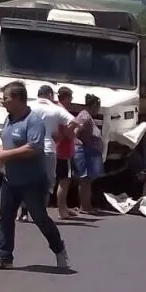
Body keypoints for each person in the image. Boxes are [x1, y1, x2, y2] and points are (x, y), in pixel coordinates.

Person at [0, 81, 70, 270]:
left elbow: (34, 147)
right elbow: (7, 143)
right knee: (4, 216)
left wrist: (6, 155)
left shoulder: (33, 121)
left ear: (19, 99)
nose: (4, 102)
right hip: (10, 179)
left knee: (39, 218)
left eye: (7, 98)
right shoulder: (9, 119)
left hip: (32, 181)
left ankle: (59, 249)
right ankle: (4, 257)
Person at [18, 85, 77, 221]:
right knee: (47, 183)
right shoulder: (56, 110)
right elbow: (74, 122)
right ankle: (40, 213)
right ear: (50, 95)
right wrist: (61, 135)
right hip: (48, 149)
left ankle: (23, 212)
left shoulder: (28, 106)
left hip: (29, 148)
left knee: (27, 180)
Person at [73, 94, 104, 215]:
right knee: (84, 180)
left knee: (87, 180)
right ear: (93, 105)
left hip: (89, 152)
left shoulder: (87, 116)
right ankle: (85, 207)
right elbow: (75, 133)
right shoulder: (84, 117)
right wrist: (79, 143)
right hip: (84, 152)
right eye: (98, 106)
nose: (98, 109)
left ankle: (87, 205)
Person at [54, 86, 78, 219]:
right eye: (70, 98)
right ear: (66, 97)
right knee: (64, 181)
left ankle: (65, 208)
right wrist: (74, 127)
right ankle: (62, 210)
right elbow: (67, 134)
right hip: (63, 151)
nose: (71, 100)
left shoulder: (56, 110)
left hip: (57, 150)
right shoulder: (63, 113)